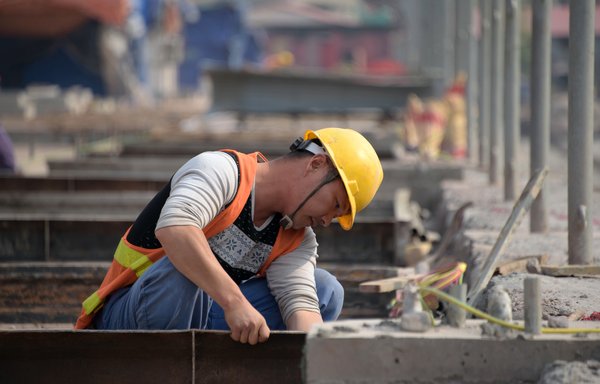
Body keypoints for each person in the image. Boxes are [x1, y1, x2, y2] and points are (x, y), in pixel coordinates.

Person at [75, 127, 384, 345]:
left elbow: (301, 307)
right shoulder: (221, 171)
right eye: (335, 205)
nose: (328, 220)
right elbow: (175, 229)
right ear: (316, 164)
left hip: (204, 315)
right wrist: (235, 302)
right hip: (132, 315)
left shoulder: (296, 238)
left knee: (325, 290)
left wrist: (314, 359)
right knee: (187, 269)